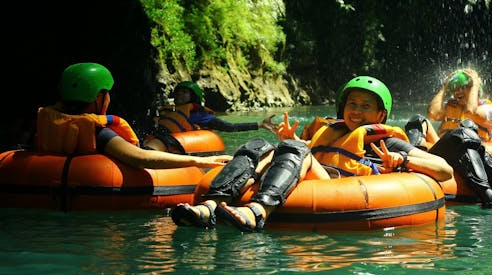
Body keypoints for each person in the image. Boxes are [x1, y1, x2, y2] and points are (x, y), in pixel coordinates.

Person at [171, 76, 453, 232]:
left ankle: (258, 211)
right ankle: (209, 207)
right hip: (317, 177)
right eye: (352, 103)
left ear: (380, 114)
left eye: (366, 106)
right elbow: (308, 152)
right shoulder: (331, 130)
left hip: (340, 188)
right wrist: (288, 140)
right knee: (259, 144)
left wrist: (404, 159)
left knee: (297, 148)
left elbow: (444, 170)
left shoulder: (387, 140)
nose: (357, 110)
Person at [34, 62, 232, 169]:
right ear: (99, 97)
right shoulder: (98, 133)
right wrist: (200, 161)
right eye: (108, 93)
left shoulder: (44, 121)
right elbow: (141, 158)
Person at [404, 69, 492, 211]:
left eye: (463, 87)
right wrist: (444, 86)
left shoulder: (489, 108)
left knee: (466, 133)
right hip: (436, 155)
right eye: (454, 88)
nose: (457, 92)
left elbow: (471, 112)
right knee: (420, 120)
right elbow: (432, 113)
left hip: (464, 151)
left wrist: (474, 84)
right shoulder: (450, 105)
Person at [144, 80, 278, 152]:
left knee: (161, 140)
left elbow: (229, 127)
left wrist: (259, 124)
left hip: (169, 143)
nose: (179, 94)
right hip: (154, 139)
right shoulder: (167, 110)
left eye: (184, 92)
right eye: (178, 92)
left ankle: (147, 152)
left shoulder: (199, 114)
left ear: (193, 97)